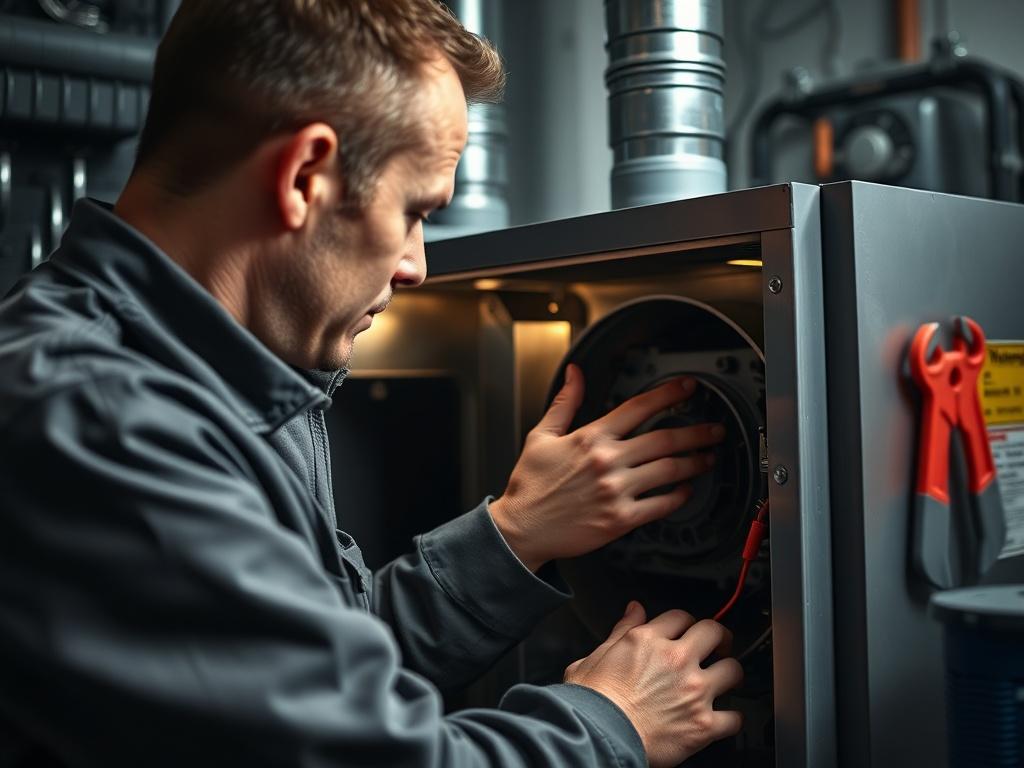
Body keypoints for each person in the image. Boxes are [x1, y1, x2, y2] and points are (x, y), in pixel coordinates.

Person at [0, 2, 744, 766]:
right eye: (415, 211)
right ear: (305, 176)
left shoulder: (213, 370)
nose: (416, 265)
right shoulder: (103, 418)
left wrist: (515, 534)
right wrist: (609, 722)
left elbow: (291, 683)